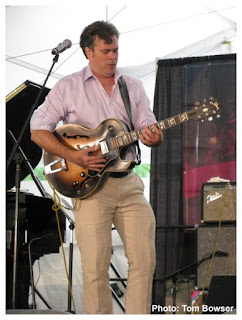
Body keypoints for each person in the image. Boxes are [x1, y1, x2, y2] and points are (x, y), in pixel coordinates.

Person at [31, 20, 163, 314]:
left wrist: (154, 136)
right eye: (105, 51)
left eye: (116, 50)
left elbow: (148, 126)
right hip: (89, 189)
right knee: (94, 271)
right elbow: (38, 131)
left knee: (145, 263)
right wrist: (75, 157)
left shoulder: (133, 86)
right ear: (88, 51)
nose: (113, 57)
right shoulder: (67, 87)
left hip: (129, 186)